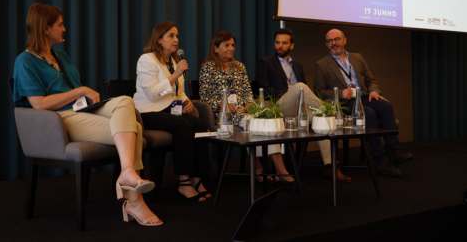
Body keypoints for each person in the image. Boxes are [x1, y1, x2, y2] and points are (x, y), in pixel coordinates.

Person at [12, 4, 162, 226]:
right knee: (136, 129)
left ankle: (127, 173)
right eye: (60, 25)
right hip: (59, 119)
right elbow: (39, 104)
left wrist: (82, 96)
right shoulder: (24, 61)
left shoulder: (59, 55)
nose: (64, 29)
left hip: (81, 109)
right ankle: (135, 201)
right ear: (45, 29)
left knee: (125, 101)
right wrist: (81, 90)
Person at [314, 29, 413, 177]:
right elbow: (319, 91)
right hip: (344, 104)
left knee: (386, 105)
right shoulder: (322, 64)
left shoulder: (357, 57)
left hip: (365, 96)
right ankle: (381, 161)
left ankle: (393, 151)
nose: (333, 43)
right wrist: (340, 93)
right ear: (326, 44)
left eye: (336, 39)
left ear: (344, 40)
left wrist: (374, 91)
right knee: (369, 114)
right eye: (329, 41)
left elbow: (370, 80)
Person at [199, 31, 295, 185]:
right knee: (258, 124)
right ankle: (277, 170)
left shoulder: (239, 67)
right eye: (226, 45)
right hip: (224, 115)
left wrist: (249, 104)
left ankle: (268, 169)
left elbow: (248, 93)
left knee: (265, 120)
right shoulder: (208, 68)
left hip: (245, 112)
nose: (231, 48)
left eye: (233, 45)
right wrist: (222, 104)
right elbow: (204, 97)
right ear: (215, 48)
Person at [257, 28, 352, 183]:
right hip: (280, 108)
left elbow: (306, 94)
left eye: (284, 43)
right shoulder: (266, 63)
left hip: (300, 111)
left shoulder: (298, 66)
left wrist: (301, 99)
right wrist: (292, 93)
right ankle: (328, 110)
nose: (280, 46)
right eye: (277, 42)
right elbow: (265, 89)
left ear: (292, 45)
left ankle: (330, 167)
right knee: (300, 87)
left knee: (323, 120)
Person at [133, 22, 212, 202]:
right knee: (183, 125)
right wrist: (176, 74)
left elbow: (179, 92)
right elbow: (153, 94)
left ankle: (196, 177)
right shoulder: (147, 60)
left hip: (169, 110)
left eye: (176, 36)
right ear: (159, 40)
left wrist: (187, 102)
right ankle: (183, 181)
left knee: (200, 124)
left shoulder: (174, 61)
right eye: (171, 36)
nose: (176, 40)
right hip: (147, 112)